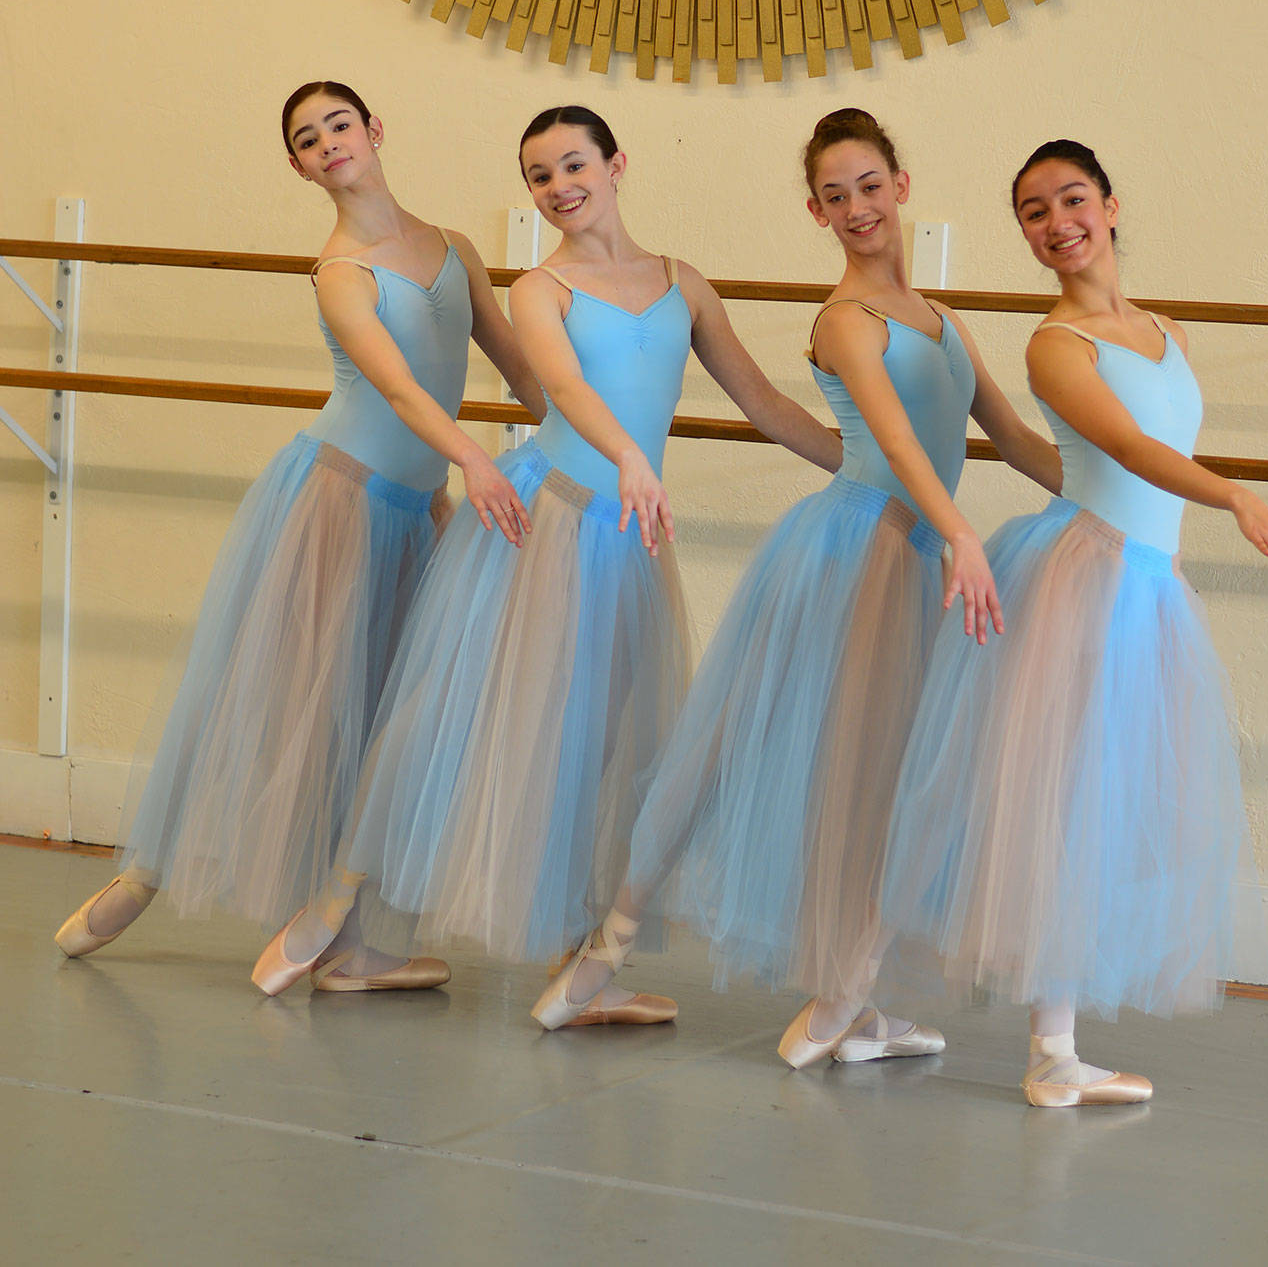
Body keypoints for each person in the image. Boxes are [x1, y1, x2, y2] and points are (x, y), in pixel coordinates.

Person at [250, 105, 843, 1011]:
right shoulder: (540, 287)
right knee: (441, 707)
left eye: (573, 166)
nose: (560, 187)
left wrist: (868, 467)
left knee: (603, 742)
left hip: (622, 533)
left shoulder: (684, 283)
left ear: (616, 163)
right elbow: (561, 386)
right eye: (539, 175)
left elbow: (762, 399)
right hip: (551, 514)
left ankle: (582, 961)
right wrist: (632, 457)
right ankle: (334, 899)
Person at [533, 108, 1062, 1063]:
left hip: (909, 548)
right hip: (855, 553)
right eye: (834, 195)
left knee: (889, 771)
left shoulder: (944, 323)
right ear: (815, 213)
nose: (856, 207)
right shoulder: (842, 319)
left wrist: (1124, 501)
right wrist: (956, 529)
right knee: (735, 746)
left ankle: (864, 996)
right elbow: (895, 444)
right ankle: (606, 957)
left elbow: (1016, 439)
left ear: (901, 187)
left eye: (869, 186)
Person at [56, 81, 544, 991]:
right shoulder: (339, 272)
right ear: (298, 166)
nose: (328, 143)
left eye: (339, 125)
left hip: (413, 507)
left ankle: (354, 949)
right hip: (338, 500)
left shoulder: (456, 249)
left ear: (375, 129)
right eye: (308, 138)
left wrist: (593, 448)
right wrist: (477, 462)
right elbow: (401, 389)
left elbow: (520, 366)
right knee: (279, 701)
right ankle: (146, 872)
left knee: (381, 717)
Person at [881, 140, 1268, 1105]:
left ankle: (1048, 1047)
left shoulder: (1167, 331)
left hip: (1145, 584)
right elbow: (1133, 450)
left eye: (1070, 199)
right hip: (1083, 579)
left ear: (1108, 202)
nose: (1056, 221)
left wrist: (1179, 563)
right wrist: (1236, 494)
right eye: (1032, 211)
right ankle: (1045, 1050)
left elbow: (1156, 463)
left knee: (1100, 804)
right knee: (1060, 803)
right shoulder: (1055, 345)